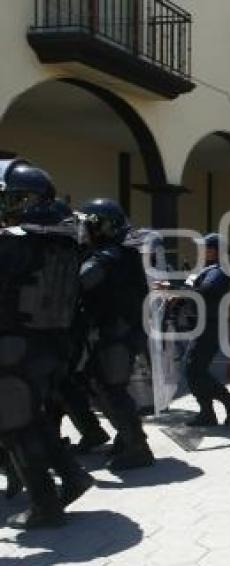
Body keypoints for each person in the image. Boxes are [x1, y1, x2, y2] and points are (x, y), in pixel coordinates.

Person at [0, 159, 93, 528]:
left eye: (13, 200)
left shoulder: (15, 244)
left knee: (14, 427)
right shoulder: (64, 241)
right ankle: (72, 476)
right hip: (50, 346)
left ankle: (45, 505)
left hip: (15, 348)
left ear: (30, 202)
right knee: (32, 420)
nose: (8, 207)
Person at [78, 198, 155, 471]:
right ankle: (127, 437)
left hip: (116, 333)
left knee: (112, 390)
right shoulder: (118, 253)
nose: (84, 231)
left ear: (103, 227)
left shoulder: (110, 256)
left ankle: (138, 448)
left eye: (89, 225)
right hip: (118, 331)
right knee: (104, 388)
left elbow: (83, 280)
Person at [184, 234, 230, 426]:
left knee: (193, 369)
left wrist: (177, 289)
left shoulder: (219, 272)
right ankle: (208, 413)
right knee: (195, 370)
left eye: (205, 247)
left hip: (209, 328)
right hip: (202, 326)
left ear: (215, 251)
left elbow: (206, 291)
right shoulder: (208, 269)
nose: (201, 251)